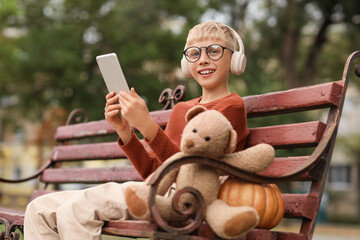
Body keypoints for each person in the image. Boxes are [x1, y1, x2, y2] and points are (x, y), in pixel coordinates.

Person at [23, 21, 250, 240]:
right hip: (158, 190)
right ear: (186, 63)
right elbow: (155, 170)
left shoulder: (231, 106)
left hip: (189, 199)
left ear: (235, 59)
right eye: (194, 53)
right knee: (39, 208)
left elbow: (192, 173)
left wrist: (146, 125)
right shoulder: (182, 109)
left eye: (213, 51)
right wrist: (125, 132)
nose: (203, 60)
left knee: (79, 208)